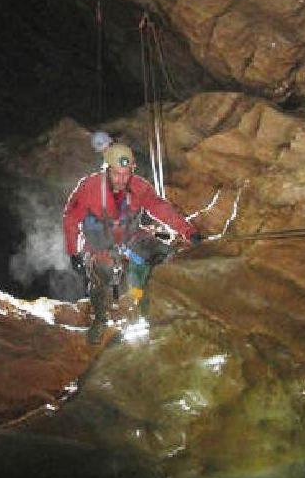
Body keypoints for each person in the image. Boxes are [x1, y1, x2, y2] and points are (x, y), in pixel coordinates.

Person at [63, 141, 201, 344]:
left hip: (131, 237)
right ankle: (101, 319)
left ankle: (150, 308)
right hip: (100, 245)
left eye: (126, 174)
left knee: (164, 255)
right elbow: (71, 218)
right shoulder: (89, 188)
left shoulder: (139, 186)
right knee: (103, 272)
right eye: (117, 174)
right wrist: (74, 252)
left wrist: (189, 232)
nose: (122, 179)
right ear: (107, 170)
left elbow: (161, 209)